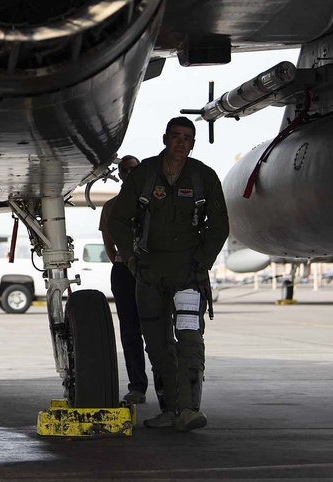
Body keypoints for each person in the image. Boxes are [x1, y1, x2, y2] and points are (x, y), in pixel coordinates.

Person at [108, 116, 229, 432]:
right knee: (157, 344)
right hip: (149, 273)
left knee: (190, 340)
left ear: (193, 143)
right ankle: (170, 409)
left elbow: (219, 226)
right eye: (175, 136)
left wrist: (202, 263)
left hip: (188, 273)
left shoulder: (204, 177)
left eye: (187, 138)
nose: (181, 142)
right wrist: (132, 260)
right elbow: (119, 220)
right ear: (165, 138)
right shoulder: (145, 175)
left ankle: (189, 409)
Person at [100, 154, 154, 406]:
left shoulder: (155, 199)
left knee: (158, 327)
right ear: (120, 174)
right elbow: (109, 244)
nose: (129, 173)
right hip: (125, 270)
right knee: (130, 331)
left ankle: (166, 386)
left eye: (134, 169)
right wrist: (123, 263)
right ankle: (137, 387)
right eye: (125, 170)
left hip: (152, 269)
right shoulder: (112, 206)